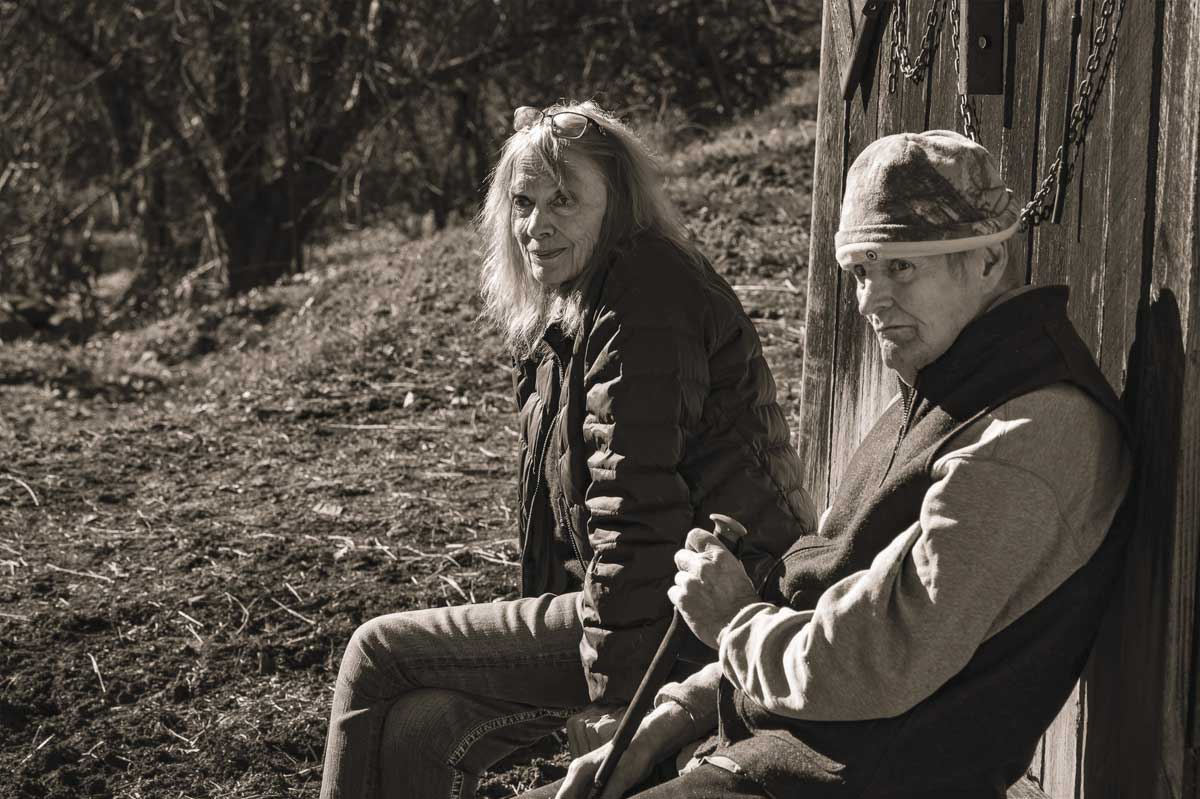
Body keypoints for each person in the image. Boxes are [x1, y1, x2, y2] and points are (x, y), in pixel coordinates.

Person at [529, 130, 1134, 799]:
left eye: (902, 267)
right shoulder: (943, 390)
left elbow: (884, 655)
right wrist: (663, 721)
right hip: (777, 752)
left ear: (989, 261)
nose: (872, 302)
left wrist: (735, 622)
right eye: (860, 272)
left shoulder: (1029, 432)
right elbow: (816, 602)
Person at [317, 101, 817, 799]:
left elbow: (634, 510)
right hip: (630, 608)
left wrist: (620, 703)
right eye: (522, 201)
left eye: (564, 198)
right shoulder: (580, 301)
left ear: (618, 201)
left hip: (695, 615)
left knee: (374, 651)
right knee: (420, 726)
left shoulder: (644, 293)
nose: (536, 223)